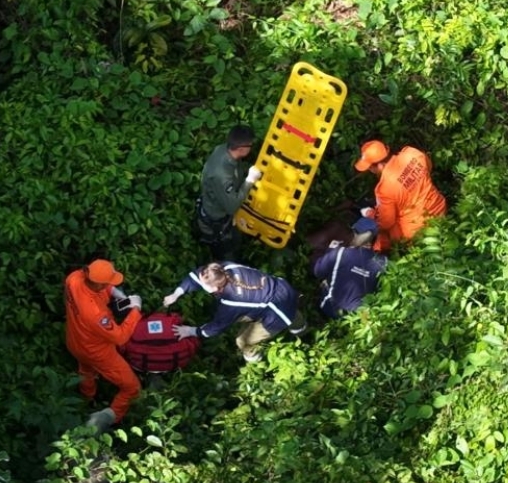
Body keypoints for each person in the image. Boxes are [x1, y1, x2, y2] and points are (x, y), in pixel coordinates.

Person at [163, 262, 306, 363]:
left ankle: (254, 360)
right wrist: (176, 294)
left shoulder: (232, 302)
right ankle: (301, 329)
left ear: (213, 289)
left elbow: (217, 327)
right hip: (283, 288)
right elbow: (195, 276)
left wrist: (191, 331)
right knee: (291, 310)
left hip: (277, 312)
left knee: (243, 340)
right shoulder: (223, 268)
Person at [64, 259, 143, 431]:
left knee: (86, 371)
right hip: (97, 351)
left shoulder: (74, 278)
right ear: (99, 285)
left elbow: (98, 287)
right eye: (108, 283)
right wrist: (135, 310)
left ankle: (86, 400)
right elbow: (120, 336)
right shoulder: (95, 314)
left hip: (75, 342)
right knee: (132, 388)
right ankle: (109, 416)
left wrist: (115, 292)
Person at [353, 140, 447, 252]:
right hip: (439, 209)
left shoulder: (384, 189)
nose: (370, 170)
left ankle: (380, 258)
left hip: (417, 231)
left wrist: (373, 215)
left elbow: (387, 223)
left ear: (377, 166)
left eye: (369, 168)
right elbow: (429, 167)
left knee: (383, 233)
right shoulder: (412, 153)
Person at [193, 125, 263, 261]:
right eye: (250, 146)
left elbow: (236, 171)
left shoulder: (223, 149)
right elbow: (231, 207)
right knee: (227, 250)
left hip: (218, 208)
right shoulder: (221, 176)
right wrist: (249, 181)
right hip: (216, 222)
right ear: (241, 149)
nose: (251, 147)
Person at [312, 217, 388, 319]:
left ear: (355, 235)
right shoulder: (383, 262)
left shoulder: (340, 252)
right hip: (356, 316)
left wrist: (330, 251)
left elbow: (318, 272)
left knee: (328, 277)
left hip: (330, 309)